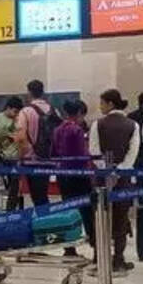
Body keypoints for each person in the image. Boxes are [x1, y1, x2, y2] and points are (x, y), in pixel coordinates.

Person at [90, 89, 141, 271]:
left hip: (101, 179)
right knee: (121, 219)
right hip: (124, 179)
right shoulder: (133, 125)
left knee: (100, 218)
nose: (100, 106)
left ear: (110, 104)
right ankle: (119, 259)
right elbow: (133, 153)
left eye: (102, 103)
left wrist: (107, 171)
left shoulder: (97, 124)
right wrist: (119, 171)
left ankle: (99, 258)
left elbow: (94, 151)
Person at [51, 100, 94, 261]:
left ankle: (69, 249)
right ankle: (96, 249)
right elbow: (82, 155)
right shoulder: (77, 130)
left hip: (63, 175)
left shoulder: (57, 130)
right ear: (80, 113)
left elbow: (53, 153)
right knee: (87, 212)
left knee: (67, 211)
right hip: (79, 176)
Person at [13, 79, 58, 206]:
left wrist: (20, 156)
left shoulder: (26, 111)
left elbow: (21, 138)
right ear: (42, 92)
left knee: (37, 197)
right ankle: (46, 216)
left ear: (29, 92)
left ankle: (45, 218)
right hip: (49, 158)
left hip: (32, 160)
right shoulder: (53, 110)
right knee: (42, 194)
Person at [0, 96, 24, 210]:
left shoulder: (19, 120)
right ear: (8, 108)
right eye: (15, 111)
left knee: (14, 187)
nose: (16, 114)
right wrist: (7, 137)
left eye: (18, 112)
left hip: (15, 158)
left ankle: (10, 211)